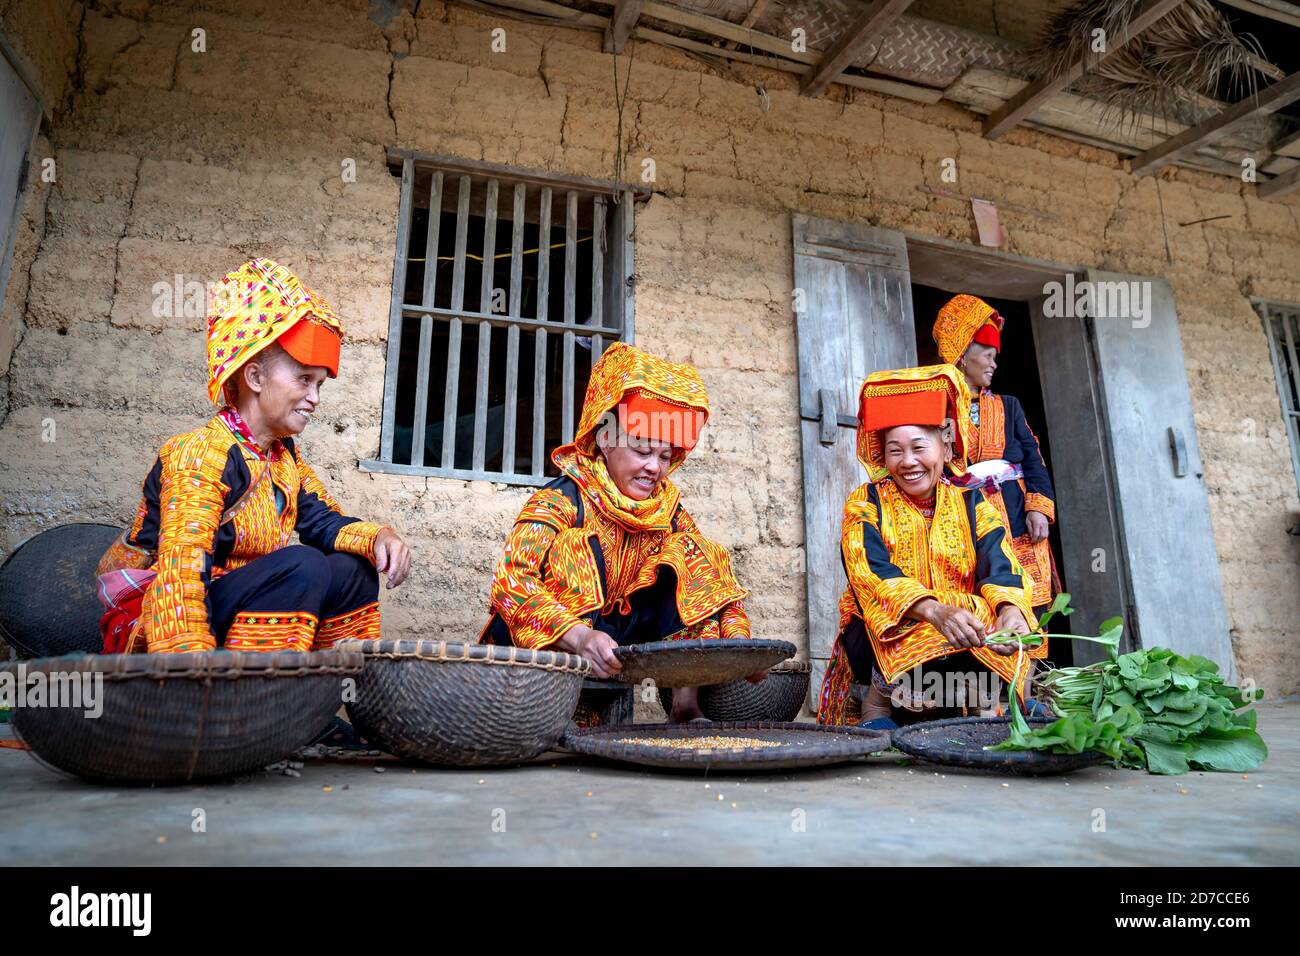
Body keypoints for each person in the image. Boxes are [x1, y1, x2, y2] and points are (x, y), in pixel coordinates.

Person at [96, 257, 411, 654]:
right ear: (255, 377)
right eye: (303, 380)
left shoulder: (282, 459)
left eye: (319, 385)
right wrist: (185, 671)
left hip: (233, 608)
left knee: (353, 570)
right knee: (303, 565)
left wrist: (380, 537)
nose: (314, 398)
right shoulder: (200, 454)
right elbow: (180, 575)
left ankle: (325, 689)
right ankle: (249, 700)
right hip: (162, 626)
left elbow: (323, 522)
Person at [481, 342, 755, 722]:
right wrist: (579, 637)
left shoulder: (666, 508)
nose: (654, 469)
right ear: (606, 440)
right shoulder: (562, 499)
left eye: (664, 457)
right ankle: (564, 703)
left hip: (616, 639)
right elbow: (511, 582)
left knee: (694, 552)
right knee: (574, 551)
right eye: (642, 451)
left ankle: (684, 705)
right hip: (548, 649)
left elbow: (712, 581)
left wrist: (740, 642)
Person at [816, 364, 1045, 729]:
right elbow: (870, 572)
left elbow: (1000, 563)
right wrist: (935, 611)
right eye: (895, 451)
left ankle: (1016, 695)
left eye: (918, 447)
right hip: (889, 634)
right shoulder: (867, 502)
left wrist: (1009, 611)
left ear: (946, 443)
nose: (907, 461)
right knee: (901, 617)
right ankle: (878, 706)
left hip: (963, 631)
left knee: (1013, 621)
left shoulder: (973, 503)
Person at [933, 293, 1059, 609]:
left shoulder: (1009, 406)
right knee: (980, 597)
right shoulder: (937, 411)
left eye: (995, 357)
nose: (994, 364)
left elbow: (1034, 459)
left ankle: (1033, 660)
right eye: (988, 355)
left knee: (1029, 594)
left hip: (1015, 511)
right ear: (962, 356)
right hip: (965, 514)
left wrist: (1038, 508)